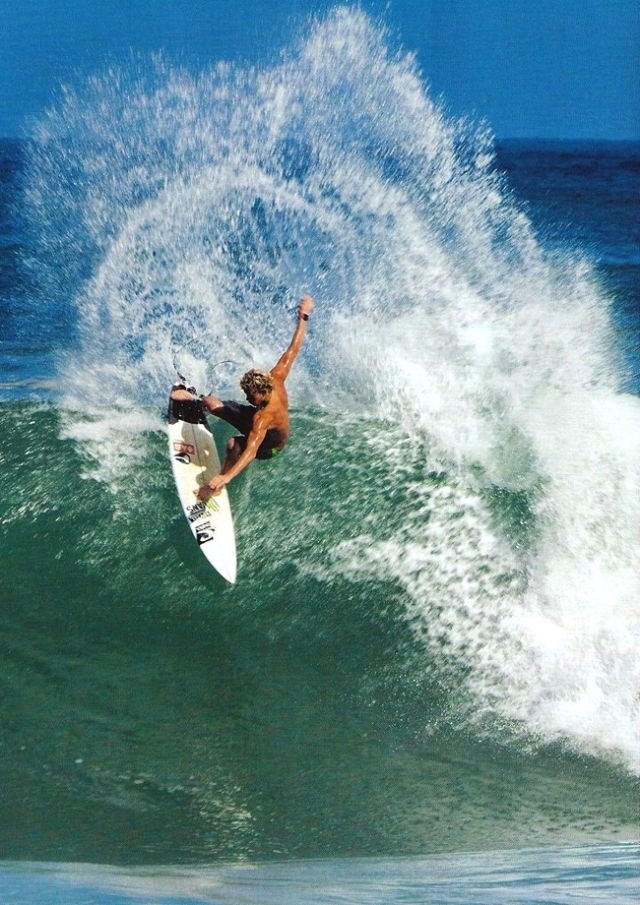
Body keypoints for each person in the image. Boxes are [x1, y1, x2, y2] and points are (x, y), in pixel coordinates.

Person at [170, 295, 314, 499]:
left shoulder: (263, 417)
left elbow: (252, 451)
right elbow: (294, 348)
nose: (247, 398)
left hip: (270, 447)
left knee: (233, 445)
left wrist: (227, 477)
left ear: (262, 391)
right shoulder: (277, 376)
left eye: (250, 395)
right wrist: (304, 316)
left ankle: (216, 486)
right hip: (256, 420)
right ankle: (195, 398)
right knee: (212, 404)